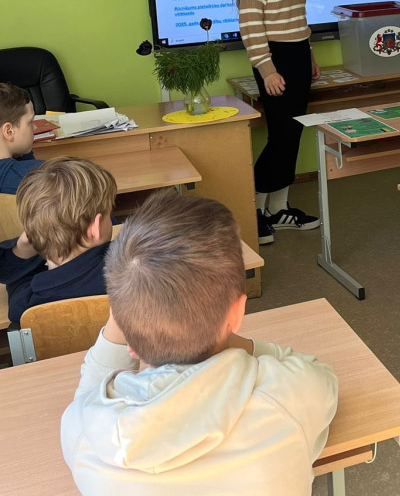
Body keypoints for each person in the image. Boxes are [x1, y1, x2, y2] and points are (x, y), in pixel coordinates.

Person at [60, 191, 338, 493]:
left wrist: (124, 317)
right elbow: (320, 374)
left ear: (128, 337)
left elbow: (85, 396)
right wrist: (230, 334)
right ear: (237, 313)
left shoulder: (84, 431)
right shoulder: (288, 396)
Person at [230, 0, 321, 245]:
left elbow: (296, 10)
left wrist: (308, 52)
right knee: (280, 135)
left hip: (297, 52)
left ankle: (279, 209)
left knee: (293, 132)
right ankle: (252, 210)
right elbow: (250, 21)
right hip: (274, 57)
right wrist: (266, 69)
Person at [0, 156, 116, 326]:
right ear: (95, 228)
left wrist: (24, 249)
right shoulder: (130, 272)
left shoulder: (28, 304)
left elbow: (13, 281)